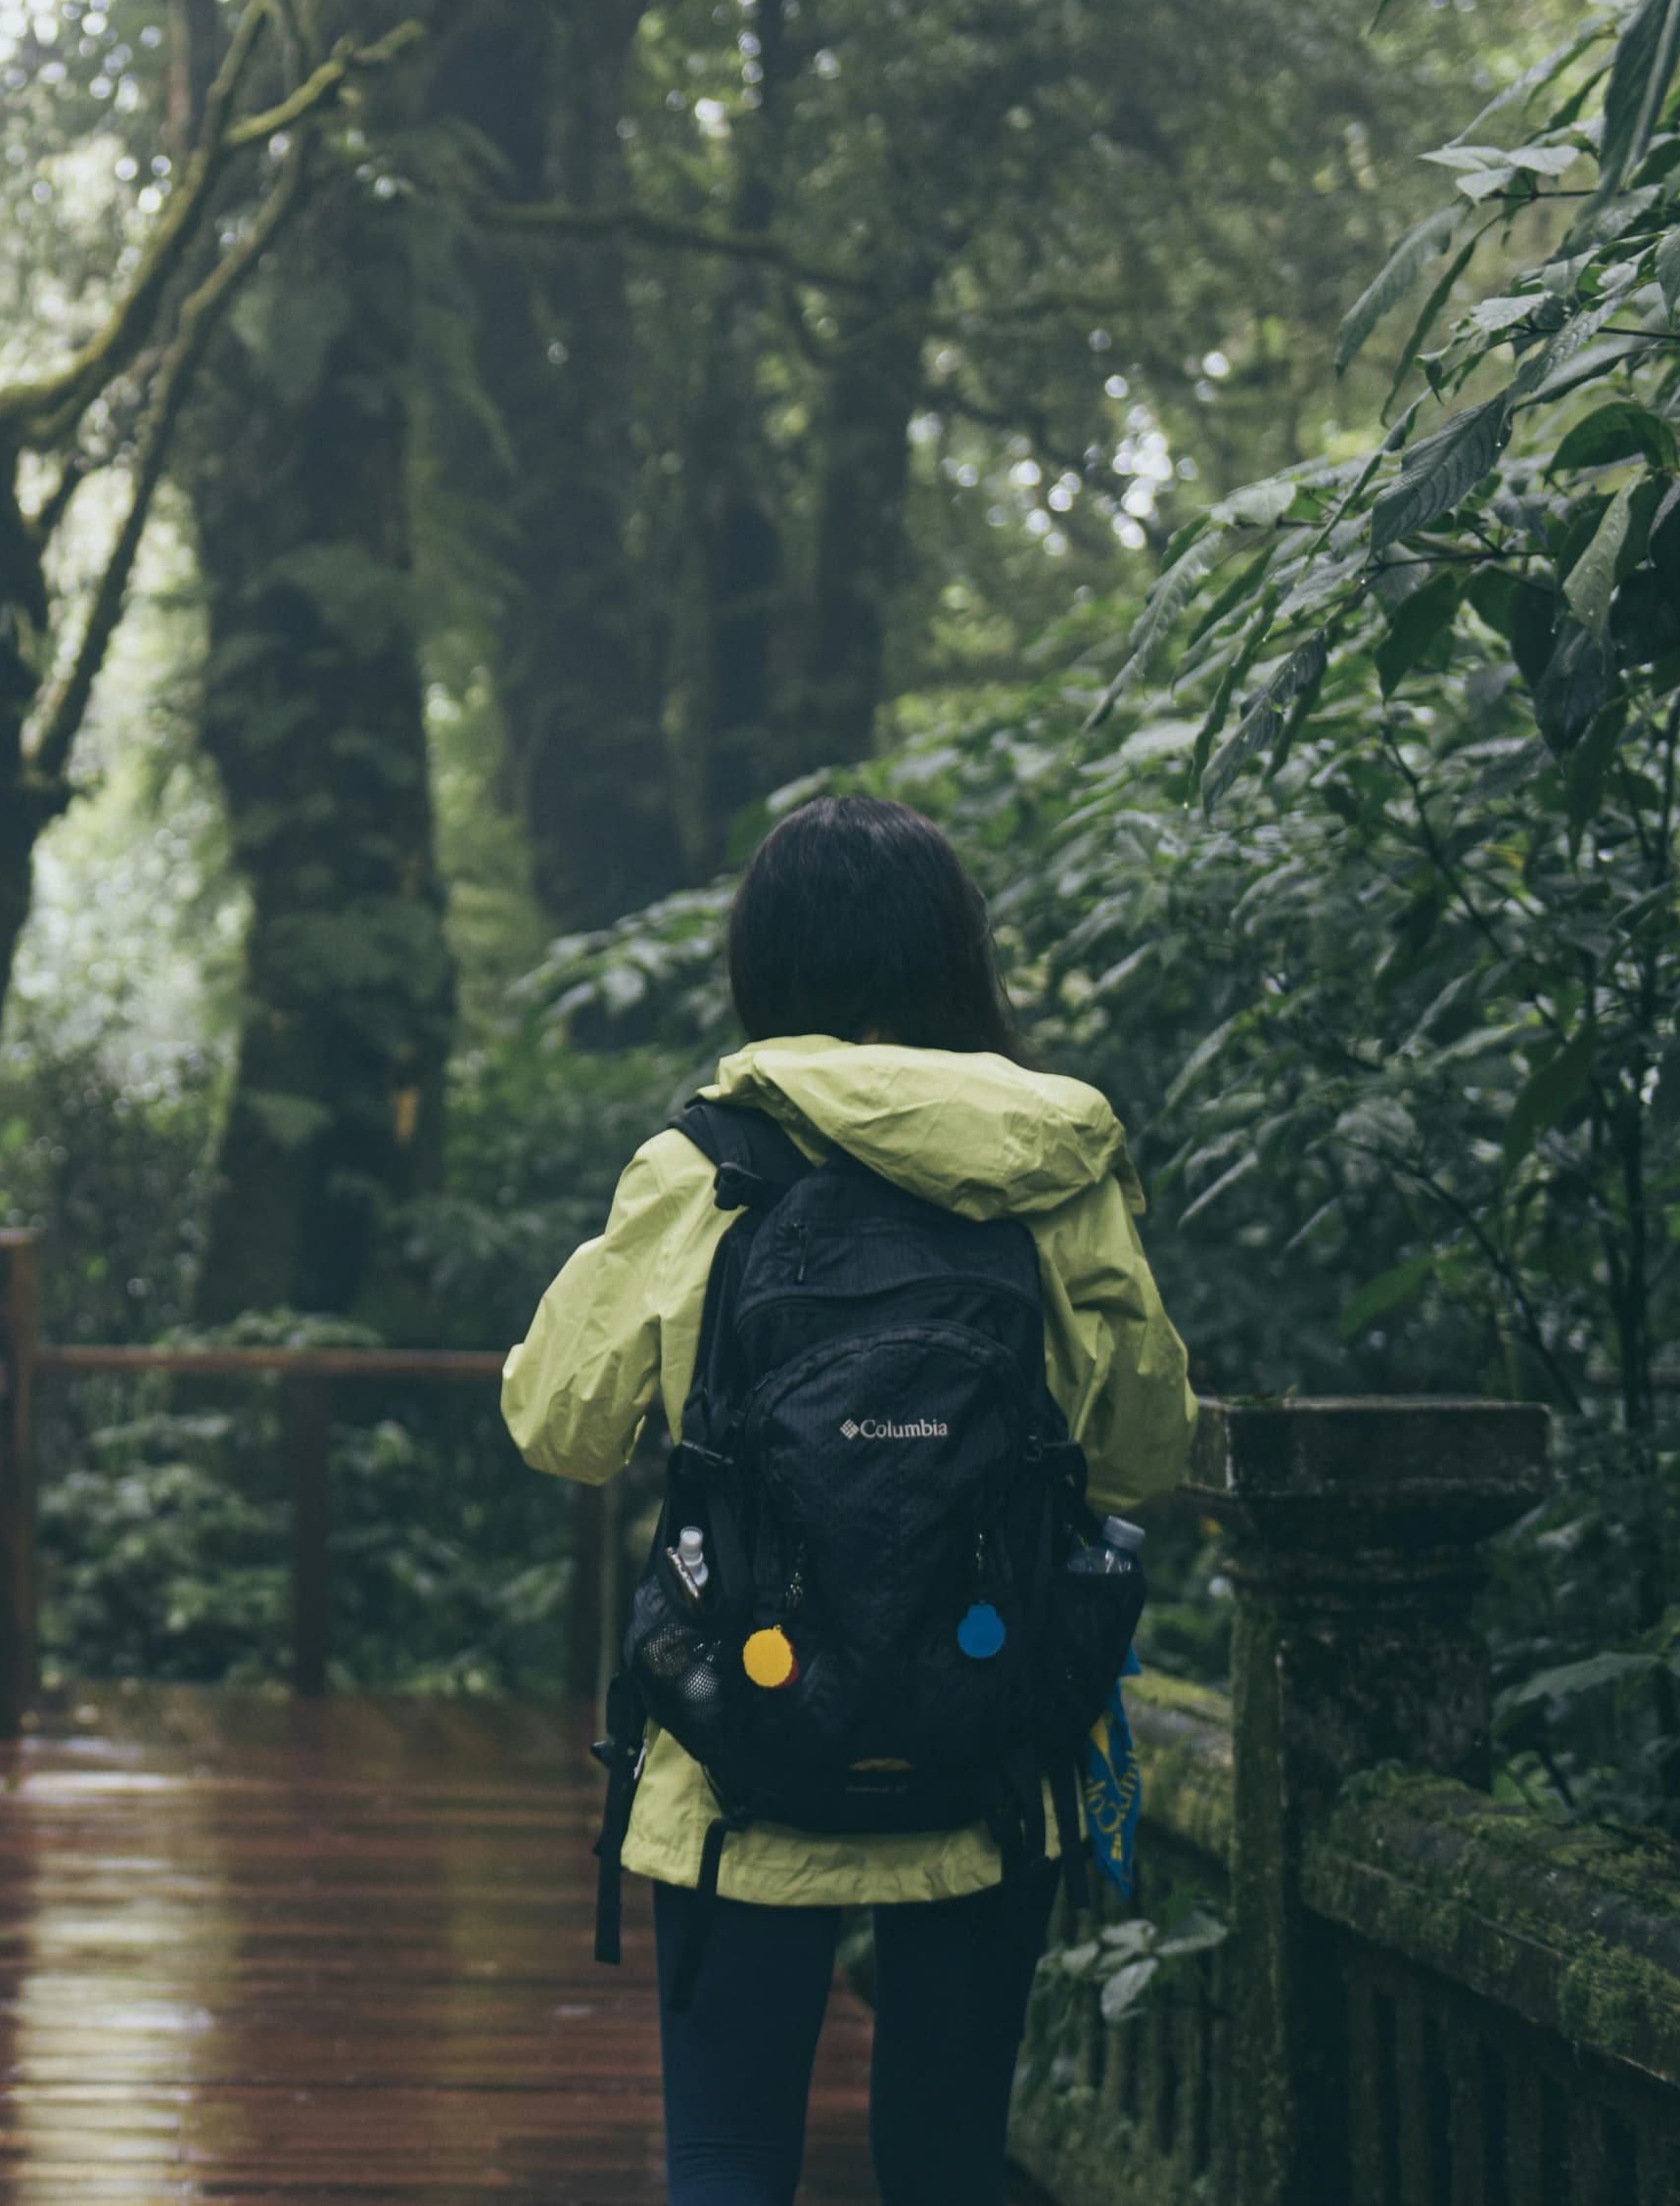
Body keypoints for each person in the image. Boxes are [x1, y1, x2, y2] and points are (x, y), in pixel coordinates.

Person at [500, 794, 1194, 2206]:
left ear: (764, 965)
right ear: (958, 959)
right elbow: (1138, 1459)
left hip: (735, 1745)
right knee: (945, 2160)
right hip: (992, 1746)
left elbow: (562, 1426)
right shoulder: (1056, 1170)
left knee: (731, 2160)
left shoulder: (708, 1166)